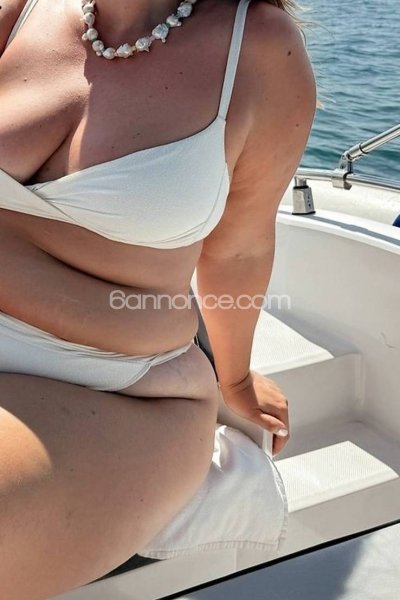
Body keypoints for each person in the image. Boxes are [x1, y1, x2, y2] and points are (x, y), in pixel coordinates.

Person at [0, 0, 315, 597]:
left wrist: (235, 378)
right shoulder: (20, 11)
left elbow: (239, 250)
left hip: (114, 387)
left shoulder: (258, 47)